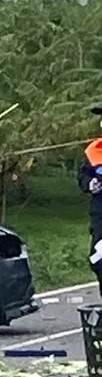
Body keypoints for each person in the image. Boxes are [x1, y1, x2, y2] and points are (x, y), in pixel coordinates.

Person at [79, 105, 102, 296]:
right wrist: (90, 183)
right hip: (100, 214)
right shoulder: (93, 151)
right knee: (99, 259)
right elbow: (82, 177)